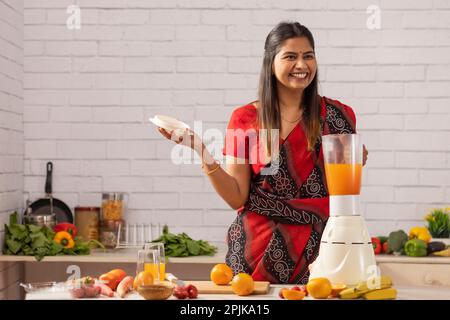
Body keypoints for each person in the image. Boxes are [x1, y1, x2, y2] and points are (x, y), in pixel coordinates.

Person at [158, 21, 368, 284]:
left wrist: (356, 161)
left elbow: (345, 191)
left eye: (308, 56)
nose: (301, 65)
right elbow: (237, 197)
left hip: (322, 249)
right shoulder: (245, 118)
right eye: (290, 56)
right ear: (271, 62)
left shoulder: (338, 116)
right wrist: (201, 150)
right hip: (255, 249)